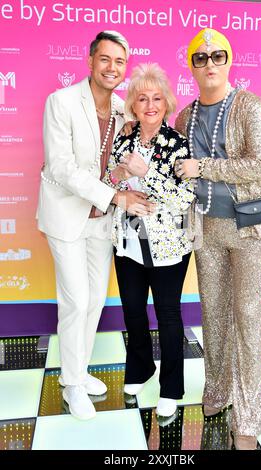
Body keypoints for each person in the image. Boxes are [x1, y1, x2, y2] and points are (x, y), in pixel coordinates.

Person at [174, 28, 261, 449]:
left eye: (217, 55)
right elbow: (173, 166)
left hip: (250, 228)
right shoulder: (185, 117)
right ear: (192, 65)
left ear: (229, 60)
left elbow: (260, 165)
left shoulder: (250, 106)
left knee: (250, 319)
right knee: (214, 315)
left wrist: (204, 167)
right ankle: (217, 391)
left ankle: (250, 414)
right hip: (208, 228)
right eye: (200, 58)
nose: (210, 63)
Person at [36, 31, 152, 420]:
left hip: (102, 222)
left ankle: (79, 371)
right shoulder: (62, 102)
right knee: (76, 300)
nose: (112, 68)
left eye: (120, 62)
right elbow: (61, 166)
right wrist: (115, 196)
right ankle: (70, 386)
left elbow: (118, 165)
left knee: (94, 302)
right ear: (90, 61)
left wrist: (128, 176)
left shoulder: (124, 110)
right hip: (67, 216)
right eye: (105, 59)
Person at [102, 63, 195, 418]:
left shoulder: (177, 143)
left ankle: (172, 387)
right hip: (127, 239)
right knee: (133, 310)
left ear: (167, 103)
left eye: (157, 98)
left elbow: (183, 199)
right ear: (134, 105)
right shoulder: (124, 137)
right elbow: (108, 181)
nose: (150, 104)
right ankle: (141, 368)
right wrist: (120, 173)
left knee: (168, 316)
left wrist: (149, 173)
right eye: (143, 98)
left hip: (168, 244)